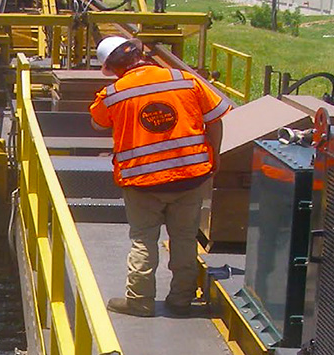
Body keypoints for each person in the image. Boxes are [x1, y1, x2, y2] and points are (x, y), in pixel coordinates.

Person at [88, 35, 232, 317]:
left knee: (143, 239)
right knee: (184, 238)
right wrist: (214, 155)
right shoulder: (185, 80)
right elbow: (215, 118)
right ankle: (181, 300)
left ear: (112, 67)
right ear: (140, 54)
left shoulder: (114, 94)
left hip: (142, 183)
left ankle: (139, 300)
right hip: (190, 177)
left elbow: (97, 123)